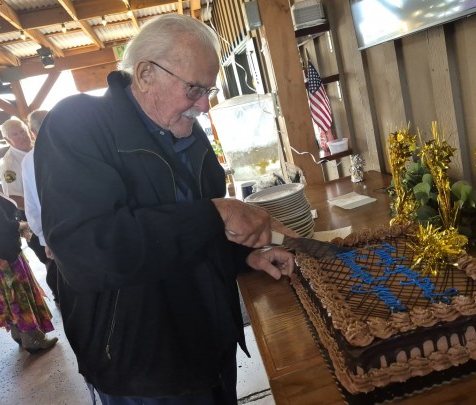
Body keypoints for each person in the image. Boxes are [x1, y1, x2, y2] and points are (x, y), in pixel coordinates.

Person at [34, 14, 295, 404]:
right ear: (144, 75)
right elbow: (87, 253)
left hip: (209, 346)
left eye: (208, 90)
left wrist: (245, 256)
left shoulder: (186, 129)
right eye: (194, 90)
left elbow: (197, 234)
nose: (204, 105)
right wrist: (216, 213)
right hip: (144, 366)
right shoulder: (78, 123)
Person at [0, 152, 58, 353]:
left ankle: (22, 334)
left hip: (2, 249)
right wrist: (24, 224)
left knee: (14, 294)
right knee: (16, 295)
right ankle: (33, 339)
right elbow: (1, 224)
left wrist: (19, 226)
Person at [0, 118, 53, 297]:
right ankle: (60, 297)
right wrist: (41, 205)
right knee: (50, 260)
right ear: (8, 140)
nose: (22, 135)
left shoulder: (40, 147)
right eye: (15, 134)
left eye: (22, 130)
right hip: (32, 216)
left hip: (52, 208)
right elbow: (14, 197)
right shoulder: (9, 163)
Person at [21, 110, 60, 304]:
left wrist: (44, 238)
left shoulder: (29, 160)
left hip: (56, 232)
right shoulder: (77, 146)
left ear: (33, 133)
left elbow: (32, 206)